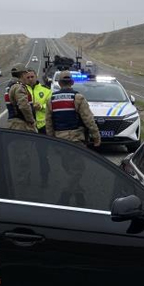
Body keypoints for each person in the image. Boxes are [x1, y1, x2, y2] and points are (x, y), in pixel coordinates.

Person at [45, 71, 102, 205]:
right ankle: (64, 198)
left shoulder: (51, 99)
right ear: (72, 82)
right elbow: (89, 120)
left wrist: (51, 139)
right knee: (77, 170)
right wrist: (96, 136)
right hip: (76, 140)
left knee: (69, 169)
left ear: (59, 84)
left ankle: (79, 197)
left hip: (60, 139)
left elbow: (49, 123)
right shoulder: (78, 98)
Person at [7, 67, 37, 132]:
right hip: (20, 124)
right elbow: (24, 105)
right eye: (26, 74)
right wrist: (31, 120)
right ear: (23, 74)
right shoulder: (18, 87)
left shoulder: (10, 86)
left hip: (14, 123)